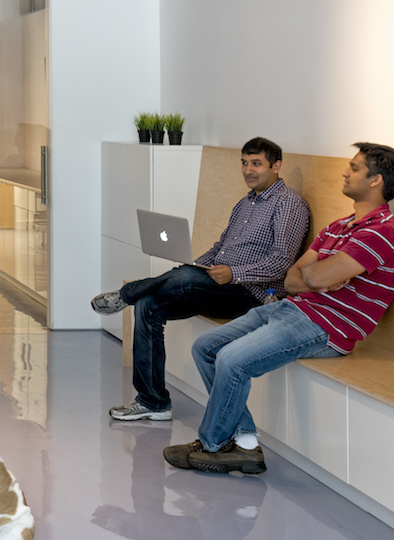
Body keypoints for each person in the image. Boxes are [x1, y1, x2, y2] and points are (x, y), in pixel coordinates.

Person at [165, 143, 394, 475]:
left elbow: (313, 272)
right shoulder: (338, 227)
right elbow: (292, 279)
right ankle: (246, 445)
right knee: (205, 347)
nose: (345, 172)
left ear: (376, 180)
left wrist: (318, 274)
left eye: (353, 168)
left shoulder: (381, 232)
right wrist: (319, 277)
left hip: (325, 327)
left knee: (231, 359)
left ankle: (213, 444)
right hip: (291, 308)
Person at [91, 137, 311, 422]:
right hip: (217, 285)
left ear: (276, 166)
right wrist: (198, 265)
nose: (248, 170)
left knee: (180, 278)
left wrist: (234, 274)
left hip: (249, 295)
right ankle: (153, 402)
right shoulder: (244, 203)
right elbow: (221, 247)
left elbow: (282, 263)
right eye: (244, 163)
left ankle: (126, 294)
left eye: (256, 163)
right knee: (148, 304)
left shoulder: (289, 205)